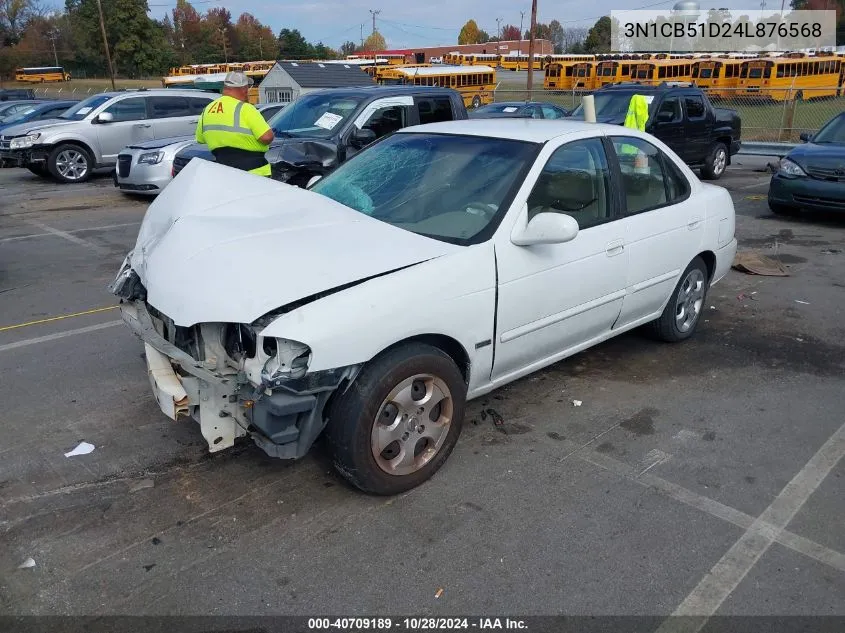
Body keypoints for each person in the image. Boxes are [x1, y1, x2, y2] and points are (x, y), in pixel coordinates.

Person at [195, 71, 274, 176]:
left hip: (223, 171)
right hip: (254, 172)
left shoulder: (208, 109)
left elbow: (200, 139)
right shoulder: (245, 108)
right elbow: (266, 137)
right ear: (244, 89)